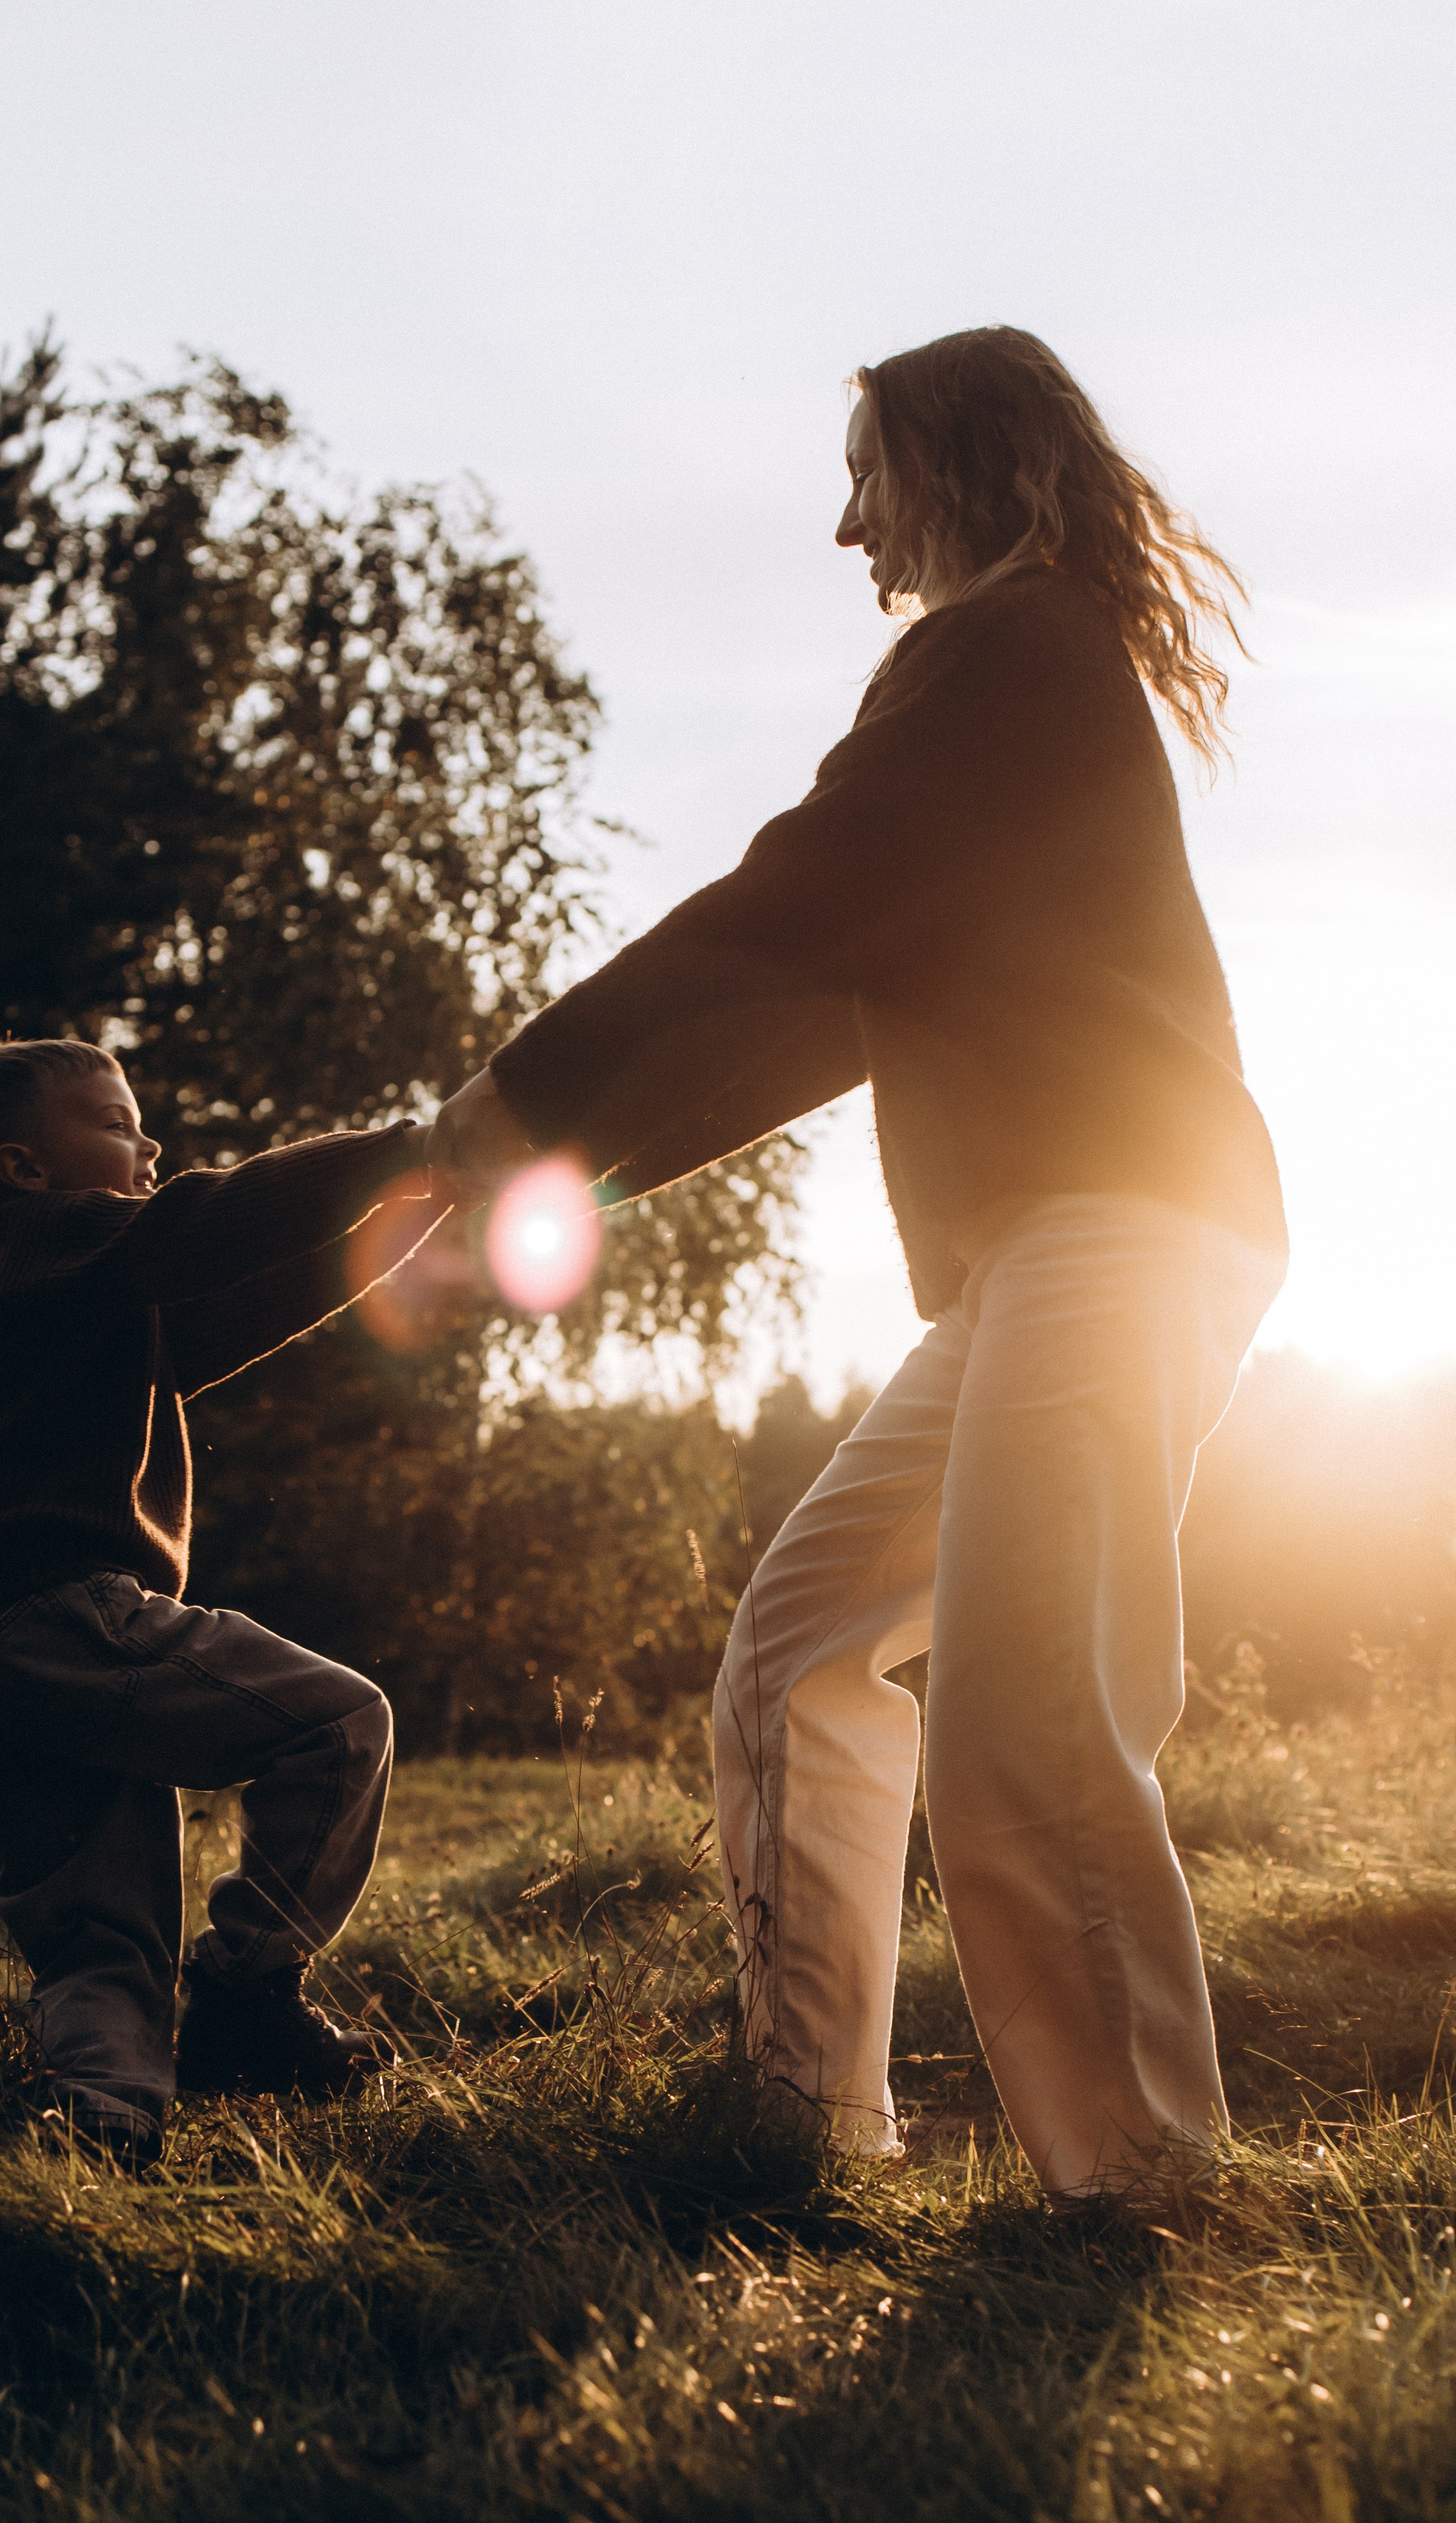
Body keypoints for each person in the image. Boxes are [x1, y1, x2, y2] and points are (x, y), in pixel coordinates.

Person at [426, 327, 1287, 2206]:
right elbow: (822, 1011)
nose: (846, 528)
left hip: (1120, 1226)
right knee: (798, 1644)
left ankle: (1142, 2185)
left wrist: (522, 1088)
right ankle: (801, 2123)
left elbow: (796, 888)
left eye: (866, 475)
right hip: (1035, 1257)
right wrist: (559, 1171)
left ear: (963, 460)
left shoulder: (1007, 643)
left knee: (1030, 1718)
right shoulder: (1015, 669)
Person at [0, 1037, 425, 2166]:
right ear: (26, 1168)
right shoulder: (51, 1234)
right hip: (49, 1620)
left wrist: (412, 1210)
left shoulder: (55, 1296)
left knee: (101, 1933)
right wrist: (413, 1150)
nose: (150, 1145)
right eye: (117, 1123)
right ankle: (245, 1992)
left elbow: (256, 1298)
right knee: (338, 1723)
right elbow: (210, 1225)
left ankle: (106, 2127)